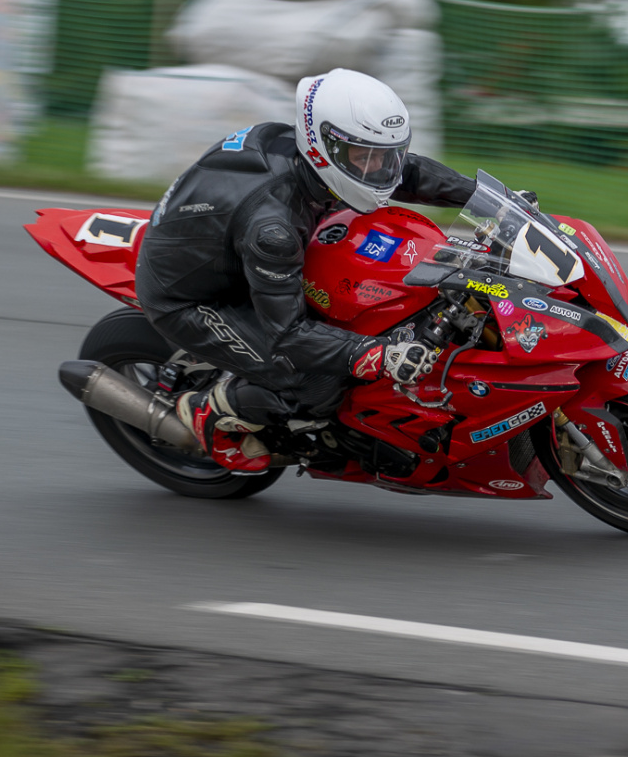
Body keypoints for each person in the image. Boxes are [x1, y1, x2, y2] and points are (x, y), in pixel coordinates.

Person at [133, 68, 475, 472]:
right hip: (194, 298)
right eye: (365, 157)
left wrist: (489, 199)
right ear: (323, 146)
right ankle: (211, 412)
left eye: (388, 155)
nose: (382, 170)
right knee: (318, 383)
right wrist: (378, 355)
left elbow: (407, 172)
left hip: (239, 255)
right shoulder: (274, 230)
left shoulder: (310, 157)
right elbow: (289, 336)